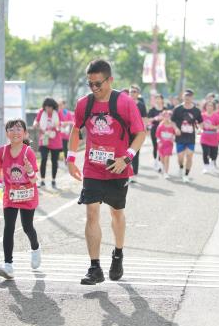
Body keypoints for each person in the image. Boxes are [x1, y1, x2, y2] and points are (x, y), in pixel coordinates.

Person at [67, 59, 146, 285]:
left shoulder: (125, 103)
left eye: (98, 84)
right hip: (93, 168)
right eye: (90, 84)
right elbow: (76, 129)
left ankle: (118, 254)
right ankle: (94, 268)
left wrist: (127, 157)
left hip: (118, 168)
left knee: (116, 214)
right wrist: (71, 159)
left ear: (110, 80)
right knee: (91, 212)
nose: (94, 88)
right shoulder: (84, 104)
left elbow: (141, 133)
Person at [0, 118, 41, 279]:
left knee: (27, 227)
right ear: (7, 133)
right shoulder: (1, 151)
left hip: (27, 194)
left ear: (25, 133)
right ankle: (8, 265)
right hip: (11, 195)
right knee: (9, 227)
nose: (15, 132)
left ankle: (35, 248)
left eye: (18, 129)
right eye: (11, 129)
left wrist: (29, 171)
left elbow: (35, 180)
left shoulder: (28, 152)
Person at [171, 88, 203, 183]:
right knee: (180, 157)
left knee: (189, 156)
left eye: (189, 96)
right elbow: (172, 121)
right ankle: (181, 167)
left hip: (190, 137)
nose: (187, 98)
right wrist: (176, 128)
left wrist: (200, 129)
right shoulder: (177, 109)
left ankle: (186, 174)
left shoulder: (196, 110)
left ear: (192, 97)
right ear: (183, 97)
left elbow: (200, 122)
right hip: (180, 136)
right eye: (186, 96)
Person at [33, 98, 62, 189]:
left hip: (55, 139)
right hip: (44, 138)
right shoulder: (41, 112)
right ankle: (42, 180)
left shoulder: (57, 113)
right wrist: (35, 124)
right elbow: (36, 121)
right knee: (44, 158)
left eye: (50, 107)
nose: (48, 109)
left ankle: (53, 180)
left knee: (54, 161)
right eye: (46, 107)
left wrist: (57, 127)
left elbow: (60, 124)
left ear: (53, 107)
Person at [129, 83, 147, 182]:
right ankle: (126, 173)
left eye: (134, 92)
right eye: (131, 91)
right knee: (124, 152)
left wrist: (143, 131)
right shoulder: (124, 102)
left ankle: (134, 174)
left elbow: (144, 118)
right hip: (125, 132)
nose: (132, 93)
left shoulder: (141, 105)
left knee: (135, 153)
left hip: (137, 132)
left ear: (138, 94)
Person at [200, 101, 219, 173]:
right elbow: (200, 125)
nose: (209, 107)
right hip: (205, 136)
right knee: (205, 152)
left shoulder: (216, 116)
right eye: (208, 106)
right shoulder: (202, 115)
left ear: (213, 107)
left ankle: (212, 164)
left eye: (211, 106)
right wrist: (200, 127)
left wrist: (213, 127)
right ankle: (206, 166)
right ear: (205, 107)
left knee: (213, 153)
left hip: (213, 137)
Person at [147, 94, 166, 171]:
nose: (158, 100)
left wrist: (163, 118)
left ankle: (161, 162)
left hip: (164, 130)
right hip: (154, 129)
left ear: (162, 100)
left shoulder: (165, 109)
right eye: (156, 99)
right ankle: (156, 162)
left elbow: (170, 118)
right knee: (155, 146)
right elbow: (148, 120)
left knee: (162, 147)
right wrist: (155, 118)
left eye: (159, 99)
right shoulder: (152, 110)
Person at [155, 110, 175, 179]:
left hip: (169, 145)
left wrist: (173, 138)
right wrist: (159, 142)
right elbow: (157, 135)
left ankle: (166, 172)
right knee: (162, 159)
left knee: (167, 158)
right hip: (161, 145)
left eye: (168, 116)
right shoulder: (160, 126)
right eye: (165, 116)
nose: (167, 117)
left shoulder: (172, 125)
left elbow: (174, 133)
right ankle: (163, 167)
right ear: (163, 117)